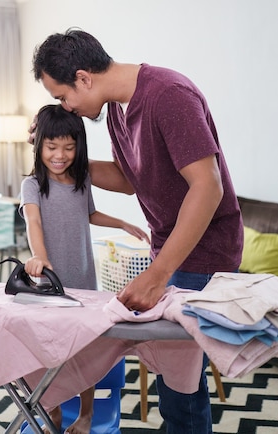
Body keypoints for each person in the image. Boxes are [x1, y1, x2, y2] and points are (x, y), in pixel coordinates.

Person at [29, 27, 244, 434]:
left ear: (83, 78)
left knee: (181, 386)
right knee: (173, 377)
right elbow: (130, 179)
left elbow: (208, 186)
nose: (67, 107)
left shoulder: (168, 95)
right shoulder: (116, 111)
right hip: (170, 247)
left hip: (205, 251)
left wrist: (157, 274)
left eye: (63, 96)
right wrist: (58, 161)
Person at [20, 103, 149, 434]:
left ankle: (87, 415)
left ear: (79, 147)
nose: (60, 155)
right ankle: (56, 414)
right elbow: (33, 221)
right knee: (51, 352)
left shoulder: (81, 180)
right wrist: (40, 257)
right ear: (39, 145)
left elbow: (88, 213)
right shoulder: (32, 185)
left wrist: (121, 222)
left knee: (84, 352)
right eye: (52, 147)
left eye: (68, 146)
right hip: (49, 283)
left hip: (84, 280)